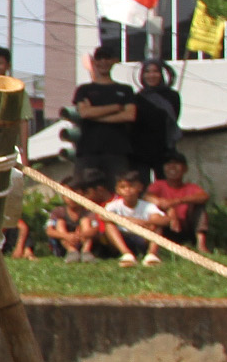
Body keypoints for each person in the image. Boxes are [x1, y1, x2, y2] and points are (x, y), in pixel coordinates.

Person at [67, 45, 137, 184]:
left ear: (114, 61)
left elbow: (130, 116)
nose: (103, 62)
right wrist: (116, 107)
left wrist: (96, 114)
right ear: (94, 62)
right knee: (84, 192)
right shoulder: (84, 89)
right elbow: (85, 113)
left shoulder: (125, 90)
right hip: (88, 150)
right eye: (99, 58)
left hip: (117, 150)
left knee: (119, 191)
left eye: (107, 58)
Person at [94, 168, 168, 267]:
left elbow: (163, 220)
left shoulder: (147, 206)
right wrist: (132, 221)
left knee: (157, 226)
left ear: (140, 187)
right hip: (122, 239)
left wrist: (146, 222)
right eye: (123, 187)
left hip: (142, 238)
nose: (127, 190)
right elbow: (103, 216)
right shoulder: (114, 205)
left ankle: (152, 255)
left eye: (131, 186)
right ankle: (127, 254)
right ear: (118, 189)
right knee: (109, 224)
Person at [147, 153, 212, 253]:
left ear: (185, 169)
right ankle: (154, 250)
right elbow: (147, 197)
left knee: (200, 208)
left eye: (177, 164)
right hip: (166, 227)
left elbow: (204, 197)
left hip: (186, 227)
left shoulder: (191, 187)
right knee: (154, 210)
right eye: (168, 164)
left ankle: (201, 245)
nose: (172, 167)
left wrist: (177, 201)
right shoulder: (158, 185)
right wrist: (168, 208)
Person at [134, 59, 183, 173]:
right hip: (140, 151)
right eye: (147, 72)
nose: (151, 75)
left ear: (161, 74)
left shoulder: (172, 96)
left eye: (155, 71)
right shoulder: (137, 97)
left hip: (165, 148)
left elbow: (174, 119)